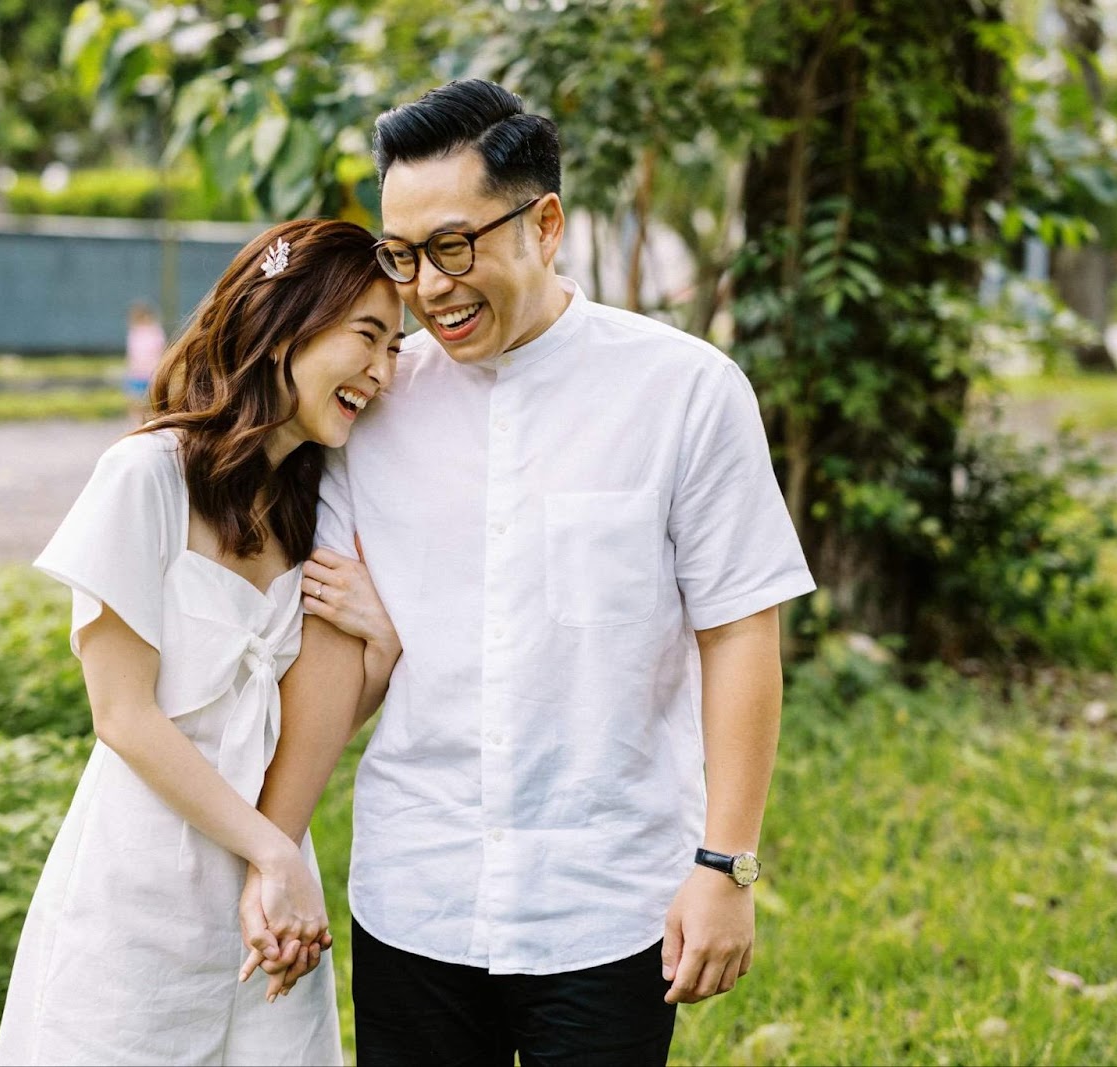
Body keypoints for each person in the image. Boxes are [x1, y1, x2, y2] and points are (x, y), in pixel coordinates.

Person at [239, 80, 817, 1064]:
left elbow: (737, 629)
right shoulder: (371, 406)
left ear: (545, 224)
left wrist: (726, 863)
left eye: (455, 246)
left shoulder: (683, 391)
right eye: (404, 254)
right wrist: (272, 849)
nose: (428, 286)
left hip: (605, 897)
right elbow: (334, 630)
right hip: (415, 885)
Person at [0, 218, 406, 1066]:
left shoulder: (312, 505)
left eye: (396, 348)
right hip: (142, 880)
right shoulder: (146, 476)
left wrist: (383, 650)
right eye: (368, 335)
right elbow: (123, 716)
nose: (384, 372)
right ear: (285, 318)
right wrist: (271, 852)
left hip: (270, 891)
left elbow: (301, 724)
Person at [124, 300, 166, 423]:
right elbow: (131, 353)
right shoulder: (134, 332)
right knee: (135, 400)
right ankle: (137, 422)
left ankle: (149, 422)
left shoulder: (155, 332)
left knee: (151, 401)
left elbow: (160, 351)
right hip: (137, 372)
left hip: (151, 372)